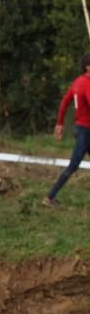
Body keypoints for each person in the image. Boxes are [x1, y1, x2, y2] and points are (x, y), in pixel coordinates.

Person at [43, 52, 90, 208]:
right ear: (88, 67)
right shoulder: (87, 84)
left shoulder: (77, 82)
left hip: (80, 128)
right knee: (73, 165)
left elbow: (64, 103)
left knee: (74, 165)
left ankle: (50, 197)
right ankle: (49, 197)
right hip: (86, 131)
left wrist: (60, 123)